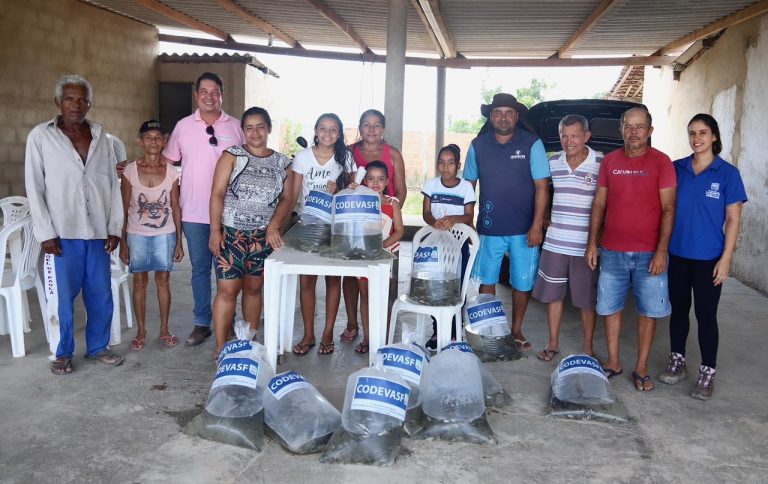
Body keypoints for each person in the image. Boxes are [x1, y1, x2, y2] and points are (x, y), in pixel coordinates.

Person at [25, 75, 124, 374]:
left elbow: (111, 184)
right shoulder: (40, 136)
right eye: (69, 98)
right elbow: (35, 187)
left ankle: (97, 347)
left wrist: (114, 227)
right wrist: (45, 233)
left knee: (100, 294)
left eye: (82, 99)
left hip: (96, 232)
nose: (76, 105)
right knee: (62, 300)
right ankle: (63, 352)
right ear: (58, 102)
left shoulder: (100, 135)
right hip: (61, 233)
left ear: (89, 104)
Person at [585, 107, 676, 392]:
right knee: (610, 309)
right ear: (621, 130)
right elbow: (599, 203)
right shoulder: (610, 161)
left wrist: (661, 251)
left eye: (640, 127)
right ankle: (613, 362)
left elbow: (669, 208)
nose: (634, 132)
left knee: (647, 312)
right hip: (612, 250)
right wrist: (592, 243)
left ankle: (641, 368)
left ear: (650, 131)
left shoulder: (662, 162)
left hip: (650, 254)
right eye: (629, 126)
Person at [659, 114, 747, 400]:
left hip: (709, 258)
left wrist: (726, 259)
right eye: (692, 133)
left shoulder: (727, 174)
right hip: (678, 255)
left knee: (706, 315)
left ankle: (708, 372)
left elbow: (733, 220)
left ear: (714, 137)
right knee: (679, 311)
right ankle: (678, 361)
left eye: (703, 133)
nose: (697, 138)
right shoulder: (677, 168)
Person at [162, 72, 246, 347]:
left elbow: (250, 162)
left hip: (230, 212)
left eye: (215, 92)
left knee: (229, 269)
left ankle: (230, 320)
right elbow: (167, 162)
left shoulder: (235, 126)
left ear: (222, 94)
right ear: (196, 95)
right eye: (204, 92)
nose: (210, 97)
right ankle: (202, 322)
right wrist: (133, 165)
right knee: (200, 269)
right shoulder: (183, 126)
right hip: (195, 212)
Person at [463, 93, 550, 350]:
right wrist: (468, 221)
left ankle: (515, 330)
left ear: (517, 116)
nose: (503, 117)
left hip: (525, 230)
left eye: (509, 112)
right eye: (498, 112)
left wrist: (536, 225)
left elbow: (542, 187)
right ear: (491, 116)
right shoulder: (477, 145)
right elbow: (469, 185)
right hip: (490, 229)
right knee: (487, 280)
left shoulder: (532, 143)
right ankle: (490, 329)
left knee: (521, 282)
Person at [209, 107, 293, 357]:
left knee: (254, 289)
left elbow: (287, 199)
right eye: (249, 127)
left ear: (268, 128)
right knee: (227, 291)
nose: (255, 132)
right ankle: (221, 346)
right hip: (231, 234)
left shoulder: (282, 163)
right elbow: (217, 194)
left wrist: (273, 226)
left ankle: (249, 342)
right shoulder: (232, 156)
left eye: (260, 126)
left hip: (261, 237)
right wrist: (215, 230)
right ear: (243, 131)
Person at [532, 115, 602, 361]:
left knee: (586, 301)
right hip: (555, 242)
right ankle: (553, 344)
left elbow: (607, 202)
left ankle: (588, 348)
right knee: (553, 295)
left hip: (585, 245)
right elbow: (543, 191)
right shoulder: (553, 162)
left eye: (574, 135)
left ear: (586, 137)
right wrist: (545, 215)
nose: (569, 141)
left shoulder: (601, 162)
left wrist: (598, 239)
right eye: (564, 135)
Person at [290, 113, 356, 356]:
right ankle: (309, 333)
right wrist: (281, 224)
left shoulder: (345, 158)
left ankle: (327, 333)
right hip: (308, 225)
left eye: (333, 129)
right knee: (306, 280)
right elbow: (292, 195)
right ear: (316, 131)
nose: (327, 134)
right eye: (323, 128)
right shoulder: (302, 158)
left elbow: (352, 191)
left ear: (339, 134)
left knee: (332, 280)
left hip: (335, 226)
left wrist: (338, 188)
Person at [342, 109, 407, 341]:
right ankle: (352, 324)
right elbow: (345, 188)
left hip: (383, 229)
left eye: (376, 124)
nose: (371, 129)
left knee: (380, 287)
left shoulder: (393, 154)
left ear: (383, 128)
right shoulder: (349, 152)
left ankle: (381, 332)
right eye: (366, 124)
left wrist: (388, 215)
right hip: (355, 226)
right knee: (351, 278)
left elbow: (401, 190)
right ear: (360, 127)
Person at [119, 120, 184, 350]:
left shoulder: (171, 172)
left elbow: (176, 207)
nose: (153, 141)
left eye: (158, 137)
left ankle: (165, 329)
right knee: (139, 282)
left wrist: (178, 240)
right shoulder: (130, 170)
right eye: (148, 137)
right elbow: (124, 207)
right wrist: (123, 242)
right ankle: (141, 331)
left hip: (164, 234)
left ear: (164, 142)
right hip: (136, 233)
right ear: (140, 141)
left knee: (163, 281)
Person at [421, 143, 476, 349]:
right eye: (442, 163)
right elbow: (426, 213)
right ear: (437, 165)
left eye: (451, 163)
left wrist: (453, 219)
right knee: (436, 289)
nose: (446, 167)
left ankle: (454, 333)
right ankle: (437, 332)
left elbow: (469, 216)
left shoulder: (465, 187)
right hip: (435, 245)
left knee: (455, 289)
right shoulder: (431, 185)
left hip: (458, 245)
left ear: (458, 165)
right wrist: (433, 222)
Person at [355, 161, 404, 354]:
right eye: (371, 178)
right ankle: (367, 338)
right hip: (364, 257)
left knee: (384, 298)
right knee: (365, 297)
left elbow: (399, 231)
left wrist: (381, 246)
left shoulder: (392, 204)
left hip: (385, 257)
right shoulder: (358, 201)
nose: (375, 183)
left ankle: (384, 338)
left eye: (380, 179)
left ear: (387, 182)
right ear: (364, 180)